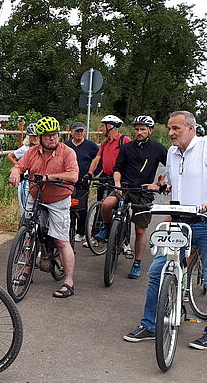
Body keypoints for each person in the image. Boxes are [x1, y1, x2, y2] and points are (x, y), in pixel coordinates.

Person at [124, 110, 207, 350]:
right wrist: (165, 191)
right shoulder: (173, 153)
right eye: (169, 128)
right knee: (157, 272)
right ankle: (150, 324)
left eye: (176, 128)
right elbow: (176, 183)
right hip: (180, 222)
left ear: (190, 129)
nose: (171, 133)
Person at [8, 117, 80, 297]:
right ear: (39, 137)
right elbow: (19, 166)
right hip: (36, 196)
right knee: (28, 235)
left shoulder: (67, 152)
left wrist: (51, 177)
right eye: (48, 136)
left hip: (58, 199)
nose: (52, 139)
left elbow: (73, 176)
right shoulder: (32, 152)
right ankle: (26, 271)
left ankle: (69, 281)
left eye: (55, 135)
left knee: (61, 240)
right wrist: (15, 173)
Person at [94, 115, 168, 278]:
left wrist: (159, 183)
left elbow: (171, 167)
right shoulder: (127, 148)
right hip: (125, 187)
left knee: (140, 230)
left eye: (142, 129)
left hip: (143, 192)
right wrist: (118, 183)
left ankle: (137, 263)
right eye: (137, 129)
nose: (139, 132)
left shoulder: (158, 148)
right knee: (106, 204)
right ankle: (107, 228)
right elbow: (118, 168)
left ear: (150, 130)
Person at [85, 115, 130, 203]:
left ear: (109, 127)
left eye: (103, 126)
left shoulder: (124, 140)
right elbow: (97, 159)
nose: (102, 129)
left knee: (116, 204)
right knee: (100, 204)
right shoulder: (104, 143)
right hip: (105, 176)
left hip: (119, 177)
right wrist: (90, 173)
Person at [66, 121, 99, 243]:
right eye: (77, 131)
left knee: (81, 208)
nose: (80, 133)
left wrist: (92, 174)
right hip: (67, 181)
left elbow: (98, 160)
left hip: (83, 181)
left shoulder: (91, 146)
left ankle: (81, 232)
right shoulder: (66, 145)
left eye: (82, 131)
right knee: (67, 206)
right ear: (72, 132)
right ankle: (69, 230)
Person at [7, 123, 40, 215]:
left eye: (37, 136)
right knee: (25, 205)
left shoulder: (44, 148)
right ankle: (24, 224)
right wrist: (18, 166)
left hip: (39, 179)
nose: (35, 138)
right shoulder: (25, 149)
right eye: (32, 136)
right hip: (26, 179)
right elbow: (10, 156)